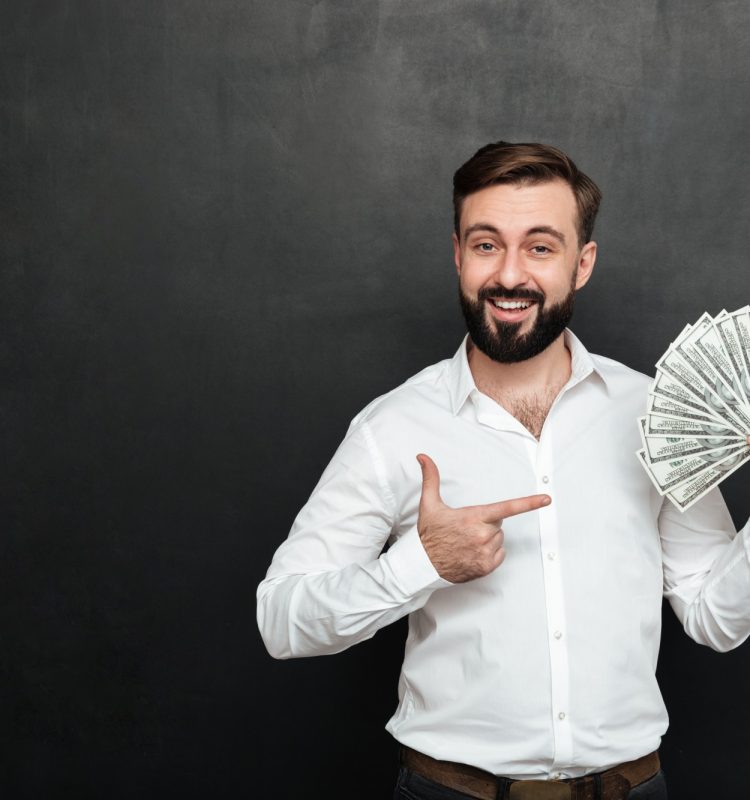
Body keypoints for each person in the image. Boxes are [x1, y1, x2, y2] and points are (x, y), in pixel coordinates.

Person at [257, 141, 750, 800]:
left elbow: (715, 618)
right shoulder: (393, 427)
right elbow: (282, 621)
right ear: (458, 254)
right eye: (487, 245)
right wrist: (422, 562)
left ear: (582, 264)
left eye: (541, 247)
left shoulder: (653, 416)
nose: (510, 275)